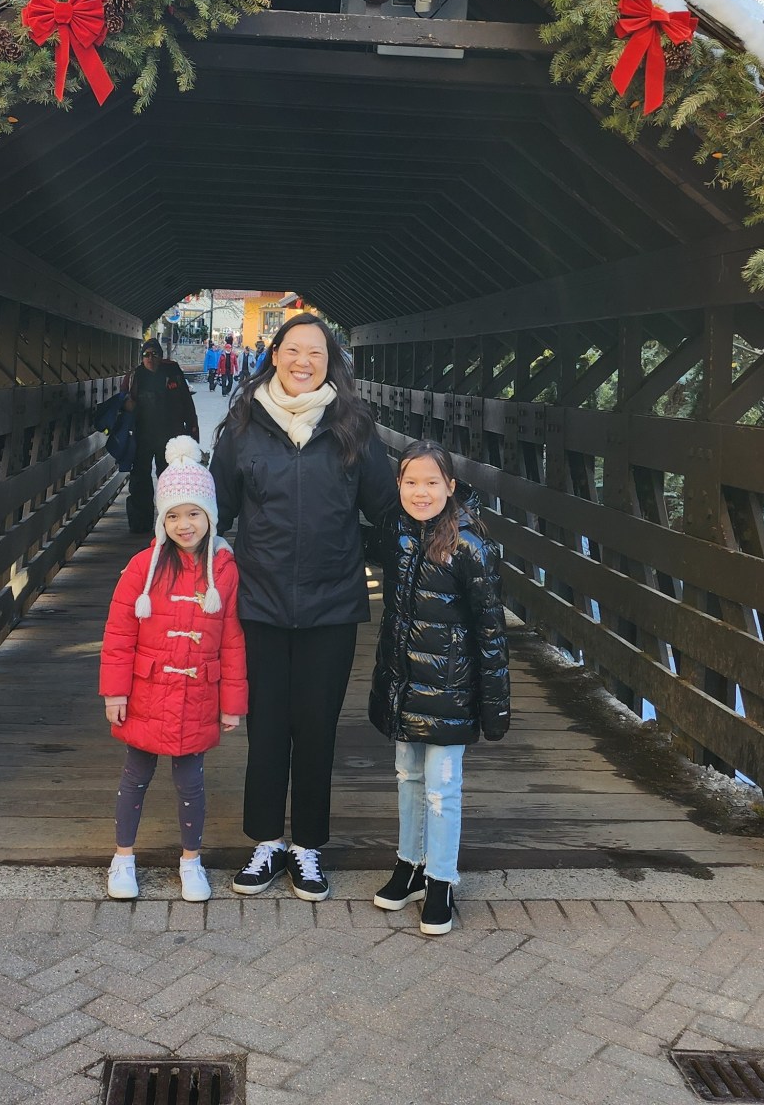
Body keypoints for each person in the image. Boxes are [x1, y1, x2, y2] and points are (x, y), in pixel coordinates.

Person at [211, 313, 396, 900]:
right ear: (275, 356)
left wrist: (429, 567)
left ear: (330, 361)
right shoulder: (242, 428)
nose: (303, 362)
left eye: (315, 353)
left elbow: (388, 509)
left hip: (333, 607)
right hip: (261, 604)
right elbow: (215, 513)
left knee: (317, 730)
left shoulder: (354, 428)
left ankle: (308, 846)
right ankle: (265, 842)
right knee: (267, 727)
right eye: (293, 350)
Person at [367, 441, 510, 936]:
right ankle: (408, 865)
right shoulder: (395, 530)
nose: (420, 492)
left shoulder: (472, 545)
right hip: (403, 682)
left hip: (450, 687)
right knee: (407, 776)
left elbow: (491, 631)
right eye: (410, 482)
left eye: (431, 482)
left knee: (442, 789)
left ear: (451, 487)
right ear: (399, 485)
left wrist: (494, 706)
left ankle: (441, 880)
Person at [99, 438, 247, 903]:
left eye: (194, 514)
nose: (185, 524)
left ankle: (191, 860)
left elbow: (233, 639)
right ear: (162, 520)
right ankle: (123, 856)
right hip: (145, 691)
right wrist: (115, 693)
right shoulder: (142, 568)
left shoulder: (223, 570)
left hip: (197, 693)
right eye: (173, 515)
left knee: (191, 782)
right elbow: (119, 634)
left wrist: (232, 704)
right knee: (134, 775)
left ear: (211, 516)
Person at [123, 338, 198, 532]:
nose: (150, 358)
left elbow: (187, 403)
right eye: (146, 355)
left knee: (170, 480)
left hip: (170, 437)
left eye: (154, 354)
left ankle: (171, 522)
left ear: (161, 357)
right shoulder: (135, 376)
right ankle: (140, 524)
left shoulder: (173, 374)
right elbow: (122, 402)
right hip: (143, 436)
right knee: (140, 480)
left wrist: (192, 431)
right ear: (141, 358)